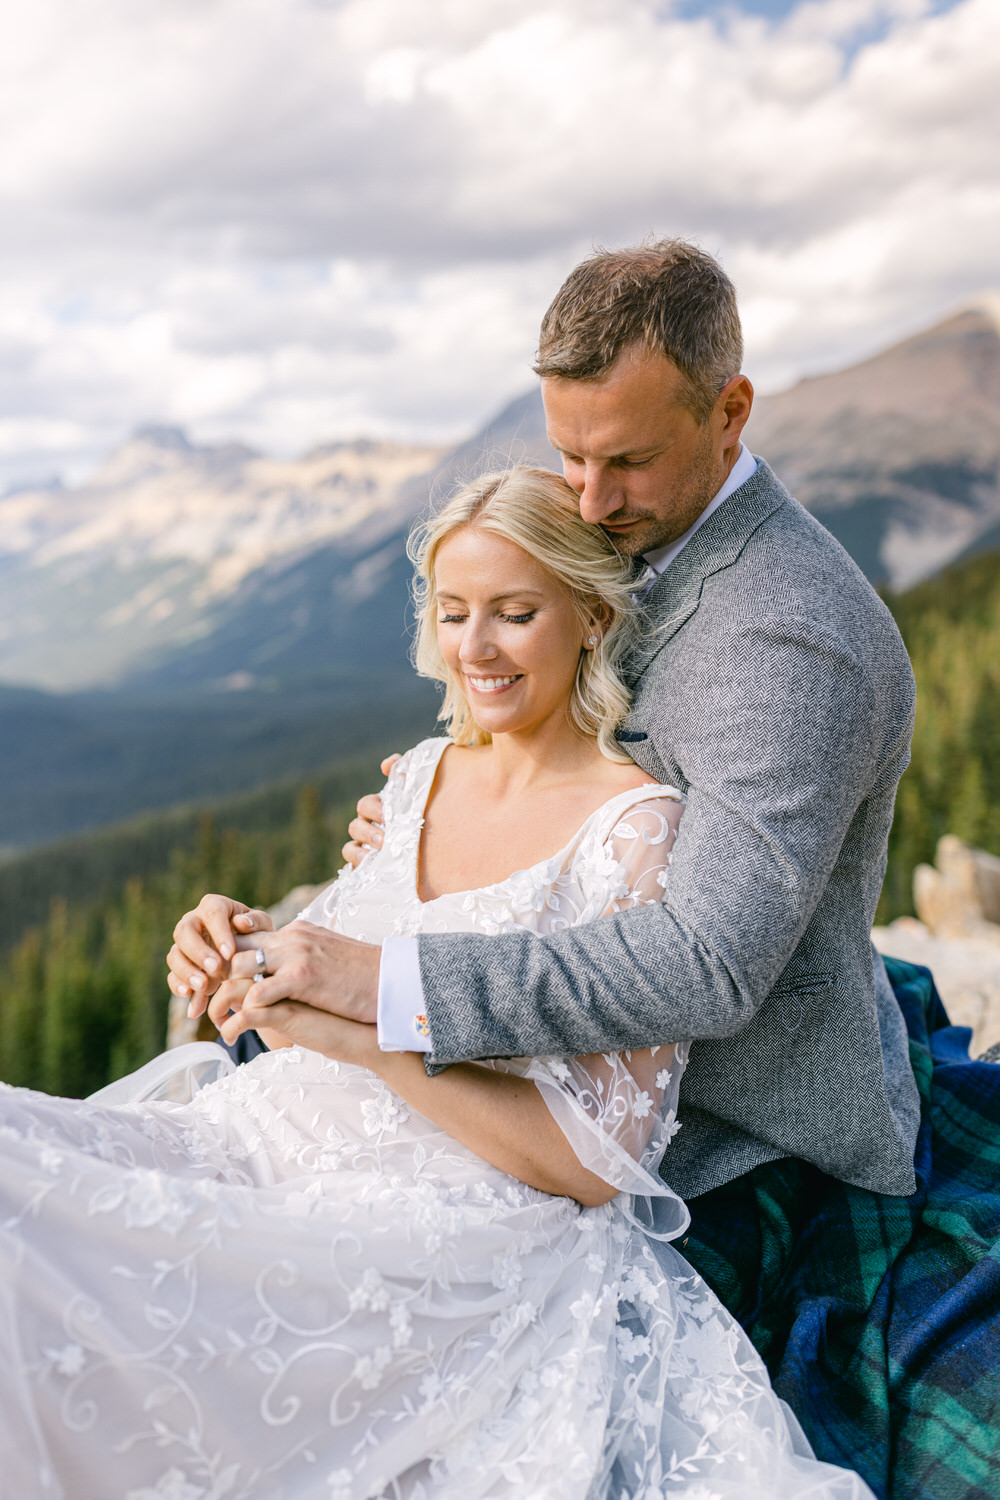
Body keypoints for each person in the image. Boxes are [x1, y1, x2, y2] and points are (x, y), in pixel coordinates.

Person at [183, 242, 1000, 1500]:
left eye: (625, 460)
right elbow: (542, 714)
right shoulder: (641, 535)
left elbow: (708, 962)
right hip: (527, 1070)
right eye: (569, 452)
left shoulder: (786, 633)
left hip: (724, 1130)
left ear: (730, 412)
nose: (591, 494)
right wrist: (434, 832)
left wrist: (391, 976)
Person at [0, 467, 872, 1500]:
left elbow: (593, 1166)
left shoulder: (633, 832)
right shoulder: (415, 776)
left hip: (427, 1233)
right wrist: (237, 941)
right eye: (455, 613)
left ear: (590, 617)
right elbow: (313, 972)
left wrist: (357, 1038)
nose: (476, 648)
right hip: (252, 1141)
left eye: (515, 613)